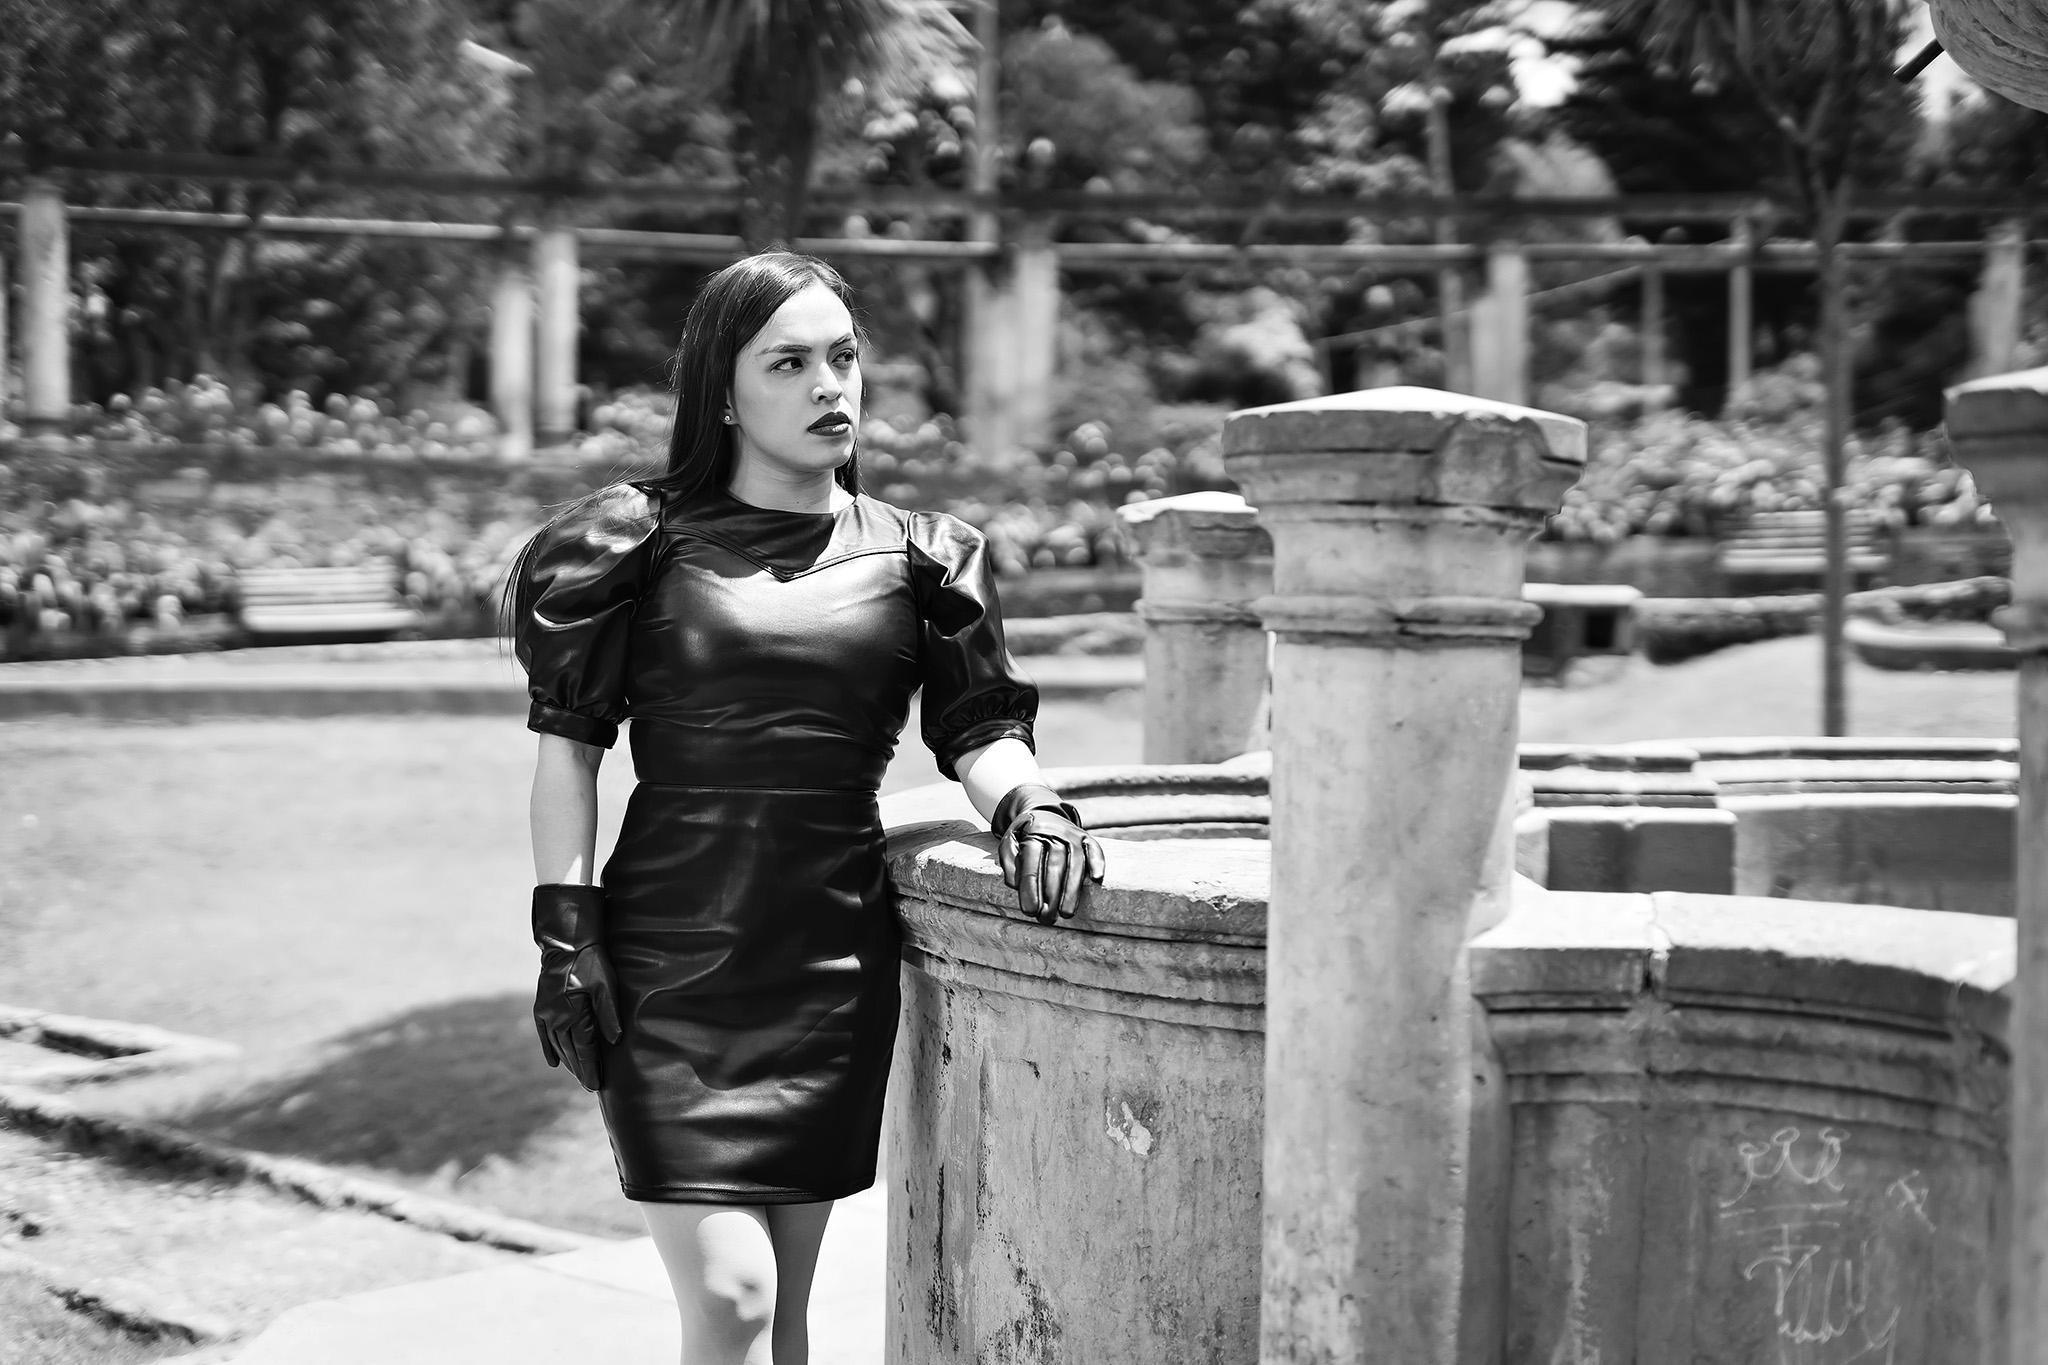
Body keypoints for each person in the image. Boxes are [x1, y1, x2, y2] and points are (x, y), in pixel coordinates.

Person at [501, 250, 1107, 1365]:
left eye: (842, 357)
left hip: (827, 965)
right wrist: (563, 936)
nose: (830, 385)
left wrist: (1031, 803)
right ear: (724, 395)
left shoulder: (928, 557)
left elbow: (978, 728)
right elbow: (569, 755)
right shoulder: (632, 544)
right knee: (731, 1299)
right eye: (788, 363)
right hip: (667, 963)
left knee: (783, 1322)